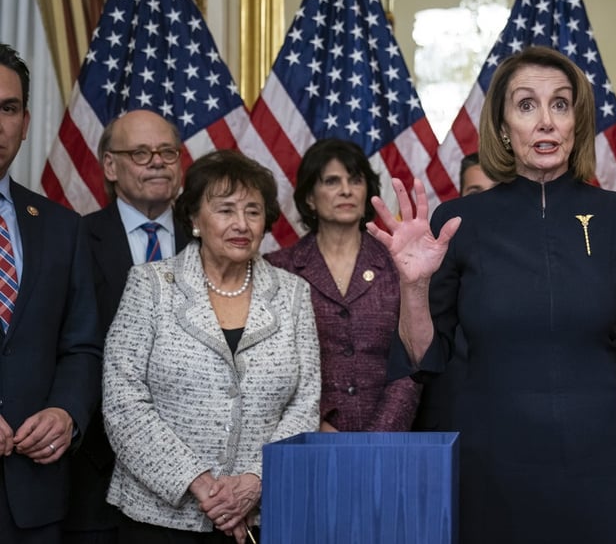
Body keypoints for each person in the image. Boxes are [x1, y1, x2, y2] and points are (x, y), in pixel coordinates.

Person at [368, 46, 616, 544]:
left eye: (560, 104)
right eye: (526, 105)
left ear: (577, 122)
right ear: (503, 128)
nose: (545, 121)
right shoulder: (459, 221)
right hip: (493, 462)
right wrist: (414, 288)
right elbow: (423, 355)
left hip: (601, 462)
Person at [102, 149, 321, 543]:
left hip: (262, 515)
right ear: (194, 219)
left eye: (253, 211)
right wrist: (199, 484)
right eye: (225, 210)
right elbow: (123, 402)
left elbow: (305, 403)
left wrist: (256, 480)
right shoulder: (150, 286)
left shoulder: (292, 294)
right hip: (158, 520)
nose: (241, 224)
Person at [65, 109, 190, 542]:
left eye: (167, 151)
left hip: (201, 477)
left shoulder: (210, 239)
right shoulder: (72, 238)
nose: (157, 161)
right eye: (140, 152)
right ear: (110, 166)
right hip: (98, 467)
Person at [0, 43, 101, 544]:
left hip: (32, 494)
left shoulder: (62, 228)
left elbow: (81, 345)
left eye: (9, 108)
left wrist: (65, 411)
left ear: (24, 122)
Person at [266, 138, 419, 432]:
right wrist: (315, 423)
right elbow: (271, 364)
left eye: (356, 180)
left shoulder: (398, 264)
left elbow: (413, 360)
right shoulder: (278, 268)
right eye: (332, 181)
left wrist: (380, 434)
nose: (346, 190)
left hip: (391, 442)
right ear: (310, 197)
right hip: (305, 437)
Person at [412, 151, 497, 432]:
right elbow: (420, 354)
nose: (484, 205)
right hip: (451, 419)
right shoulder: (432, 262)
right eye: (475, 194)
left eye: (495, 193)